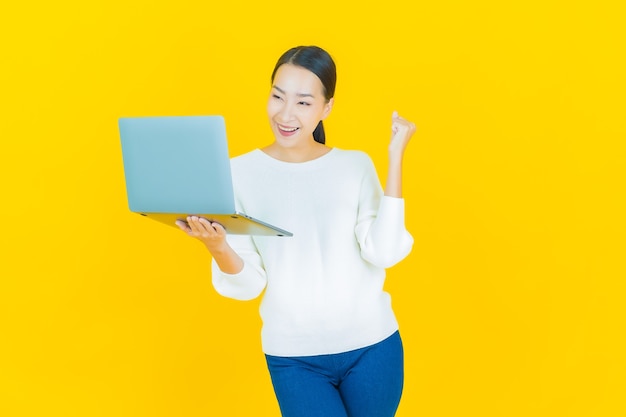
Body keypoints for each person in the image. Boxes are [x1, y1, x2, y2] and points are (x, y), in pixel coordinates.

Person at [177, 45, 416, 417]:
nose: (285, 114)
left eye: (303, 103)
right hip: (294, 357)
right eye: (277, 97)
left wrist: (395, 156)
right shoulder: (236, 174)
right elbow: (248, 284)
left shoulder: (355, 165)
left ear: (326, 108)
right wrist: (217, 245)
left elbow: (384, 251)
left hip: (373, 347)